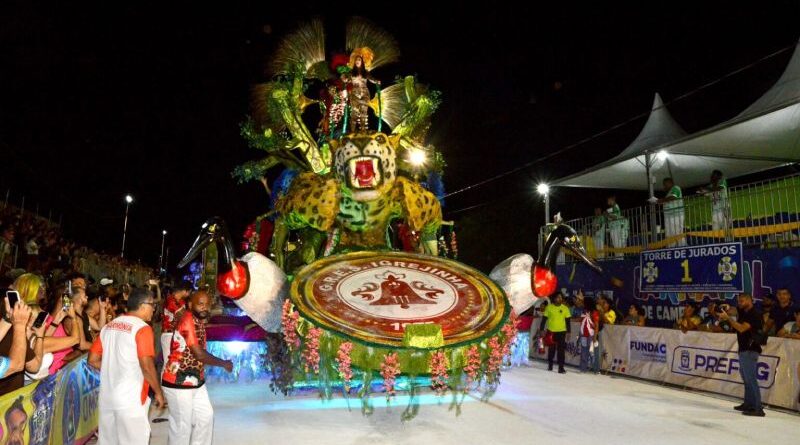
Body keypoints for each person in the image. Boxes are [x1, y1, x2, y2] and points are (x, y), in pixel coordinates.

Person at [88, 288, 165, 445]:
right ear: (143, 306)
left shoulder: (109, 326)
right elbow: (147, 366)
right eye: (153, 305)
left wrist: (114, 368)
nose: (154, 310)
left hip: (107, 398)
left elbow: (92, 359)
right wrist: (158, 391)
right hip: (131, 400)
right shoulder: (142, 328)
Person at [162, 290, 233, 445]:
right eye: (200, 304)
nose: (205, 308)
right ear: (189, 304)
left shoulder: (198, 320)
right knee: (182, 428)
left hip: (196, 380)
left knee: (205, 417)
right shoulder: (187, 319)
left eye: (207, 305)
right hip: (178, 381)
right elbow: (199, 354)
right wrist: (224, 363)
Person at [718, 294, 765, 417]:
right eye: (738, 301)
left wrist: (727, 318)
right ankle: (748, 404)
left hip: (750, 349)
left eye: (742, 301)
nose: (740, 303)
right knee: (746, 378)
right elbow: (734, 309)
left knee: (751, 379)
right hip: (744, 349)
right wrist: (726, 307)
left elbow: (741, 328)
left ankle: (758, 408)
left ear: (750, 300)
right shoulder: (744, 311)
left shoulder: (754, 314)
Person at [346, 49, 380, 133]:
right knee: (354, 113)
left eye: (359, 60)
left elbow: (371, 78)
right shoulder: (351, 72)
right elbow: (346, 80)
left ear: (362, 62)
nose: (357, 61)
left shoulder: (366, 72)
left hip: (365, 93)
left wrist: (376, 81)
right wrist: (345, 79)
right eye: (356, 60)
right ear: (354, 62)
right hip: (355, 93)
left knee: (363, 113)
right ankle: (352, 132)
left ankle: (363, 131)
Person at [537, 292, 571, 374]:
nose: (560, 299)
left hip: (562, 332)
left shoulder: (565, 308)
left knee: (561, 351)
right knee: (551, 350)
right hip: (551, 332)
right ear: (554, 298)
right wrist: (541, 330)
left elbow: (568, 322)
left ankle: (561, 368)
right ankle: (550, 365)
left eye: (561, 297)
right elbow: (544, 320)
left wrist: (569, 332)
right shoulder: (549, 308)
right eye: (558, 297)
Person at [160, 281, 193, 365]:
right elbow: (183, 316)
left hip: (177, 334)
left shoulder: (181, 301)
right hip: (169, 334)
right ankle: (165, 378)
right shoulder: (171, 300)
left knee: (175, 362)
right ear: (185, 291)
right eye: (189, 292)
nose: (189, 295)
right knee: (168, 362)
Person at [655, 177, 685, 247]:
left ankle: (683, 247)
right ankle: (670, 248)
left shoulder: (676, 188)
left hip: (676, 215)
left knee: (678, 233)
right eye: (664, 185)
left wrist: (661, 200)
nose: (664, 186)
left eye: (665, 184)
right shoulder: (668, 193)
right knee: (669, 234)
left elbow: (673, 197)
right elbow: (668, 200)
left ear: (670, 183)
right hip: (669, 216)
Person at [578, 295, 599, 373]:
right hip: (584, 335)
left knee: (592, 352)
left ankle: (596, 369)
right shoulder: (584, 311)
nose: (582, 303)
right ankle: (583, 368)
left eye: (584, 302)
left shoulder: (594, 312)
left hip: (591, 335)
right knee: (583, 352)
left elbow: (596, 325)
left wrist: (595, 337)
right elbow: (581, 321)